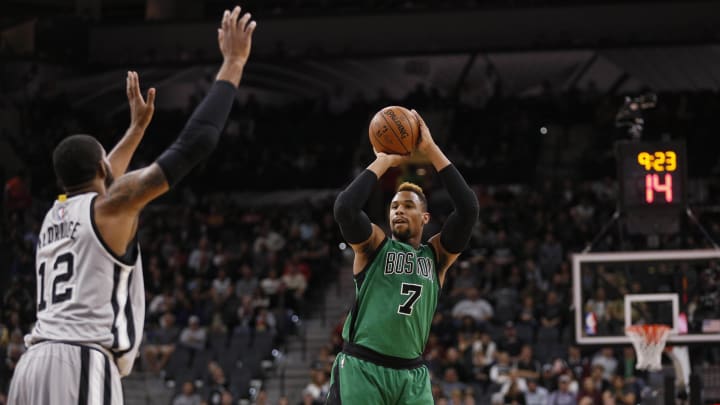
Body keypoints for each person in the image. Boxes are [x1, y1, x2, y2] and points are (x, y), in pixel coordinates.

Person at [7, 6, 256, 404]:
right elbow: (197, 143)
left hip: (32, 365)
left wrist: (137, 129)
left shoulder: (54, 215)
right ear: (102, 168)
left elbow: (105, 175)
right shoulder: (109, 208)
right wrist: (233, 63)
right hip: (79, 362)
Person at [327, 111, 479, 403]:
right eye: (394, 206)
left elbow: (468, 209)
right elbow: (345, 208)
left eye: (407, 205)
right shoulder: (375, 247)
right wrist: (384, 159)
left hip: (412, 376)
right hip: (363, 368)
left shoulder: (437, 256)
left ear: (424, 217)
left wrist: (430, 149)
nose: (398, 210)